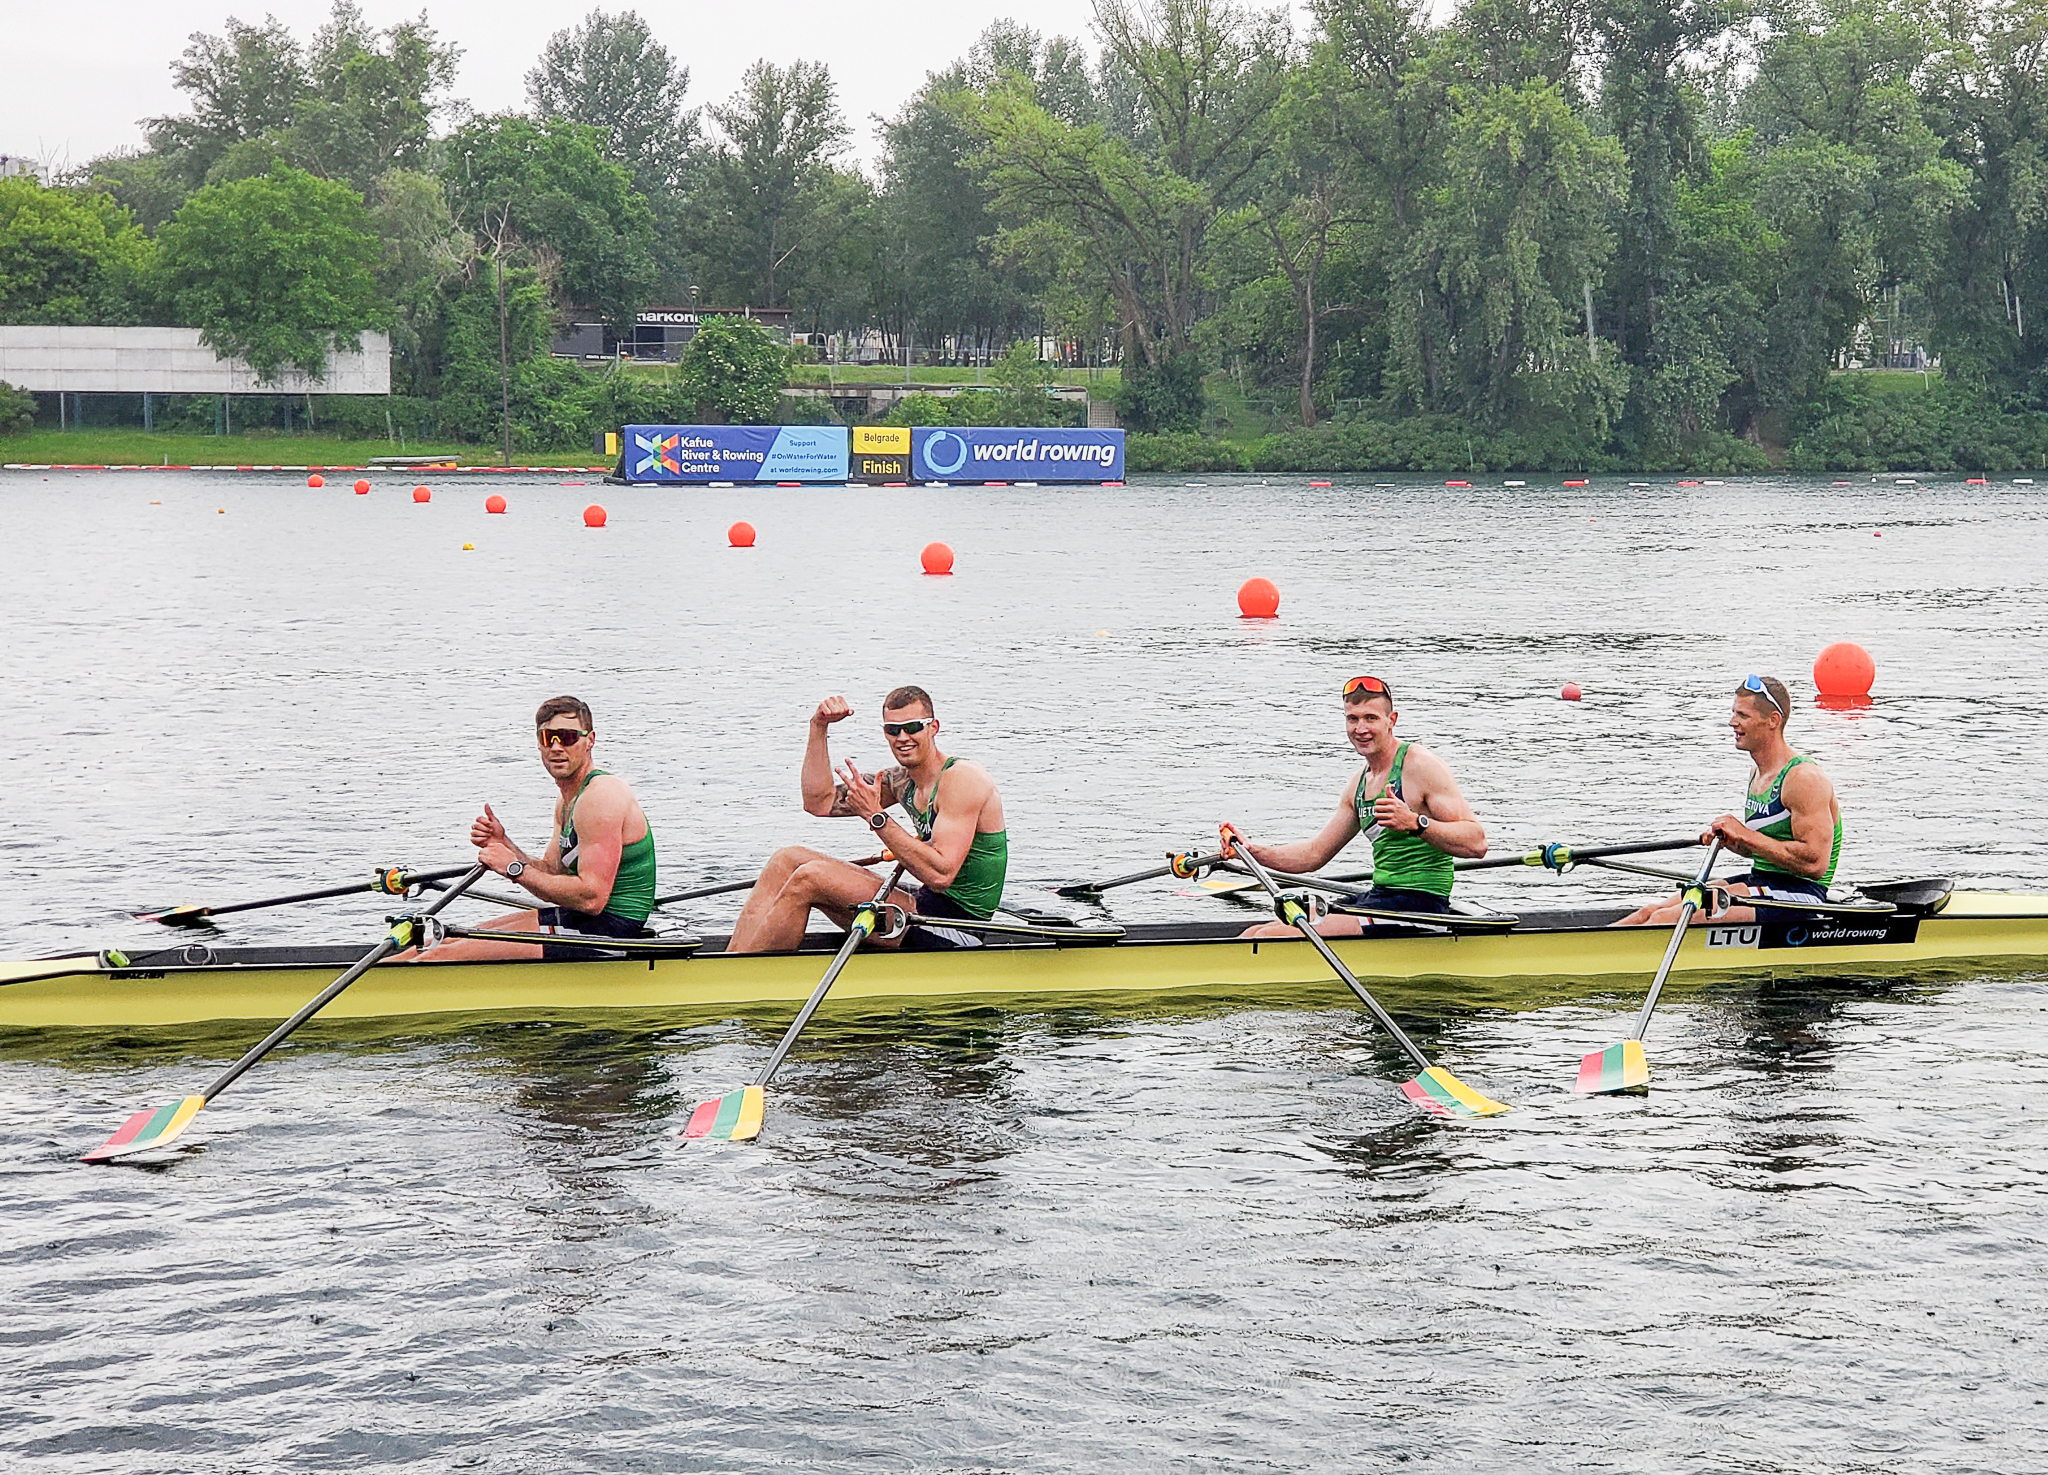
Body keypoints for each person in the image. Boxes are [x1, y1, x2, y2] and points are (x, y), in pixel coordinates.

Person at [725, 685, 1009, 953]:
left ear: (933, 728)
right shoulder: (901, 781)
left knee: (810, 878)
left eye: (912, 728)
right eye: (892, 730)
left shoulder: (963, 780)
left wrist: (876, 815)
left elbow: (941, 875)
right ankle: (731, 961)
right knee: (787, 859)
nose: (902, 738)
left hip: (958, 927)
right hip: (924, 905)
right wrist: (818, 727)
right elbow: (818, 802)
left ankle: (747, 978)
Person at [1233, 675, 1488, 938]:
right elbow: (1314, 855)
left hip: (1421, 906)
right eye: (1352, 719)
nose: (1360, 728)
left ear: (1392, 720)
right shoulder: (1359, 783)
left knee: (1269, 939)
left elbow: (1477, 843)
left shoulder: (1420, 766)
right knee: (1254, 932)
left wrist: (1415, 824)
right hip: (1381, 898)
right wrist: (1251, 851)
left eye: (1370, 718)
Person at [417, 696, 658, 960]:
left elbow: (592, 898)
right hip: (583, 920)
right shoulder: (567, 799)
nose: (556, 747)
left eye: (567, 737)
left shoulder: (601, 796)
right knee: (439, 943)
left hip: (612, 931)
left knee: (436, 957)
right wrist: (504, 843)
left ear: (589, 740)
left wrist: (512, 868)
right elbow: (553, 872)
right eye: (547, 738)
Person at [1616, 674, 1843, 926]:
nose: (1732, 722)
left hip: (1802, 896)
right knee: (1649, 911)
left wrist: (1744, 834)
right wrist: (1731, 840)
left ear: (1773, 721)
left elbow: (1814, 863)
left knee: (1665, 919)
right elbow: (1765, 848)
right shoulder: (1758, 772)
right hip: (1763, 880)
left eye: (1743, 716)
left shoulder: (1803, 778)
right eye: (1734, 713)